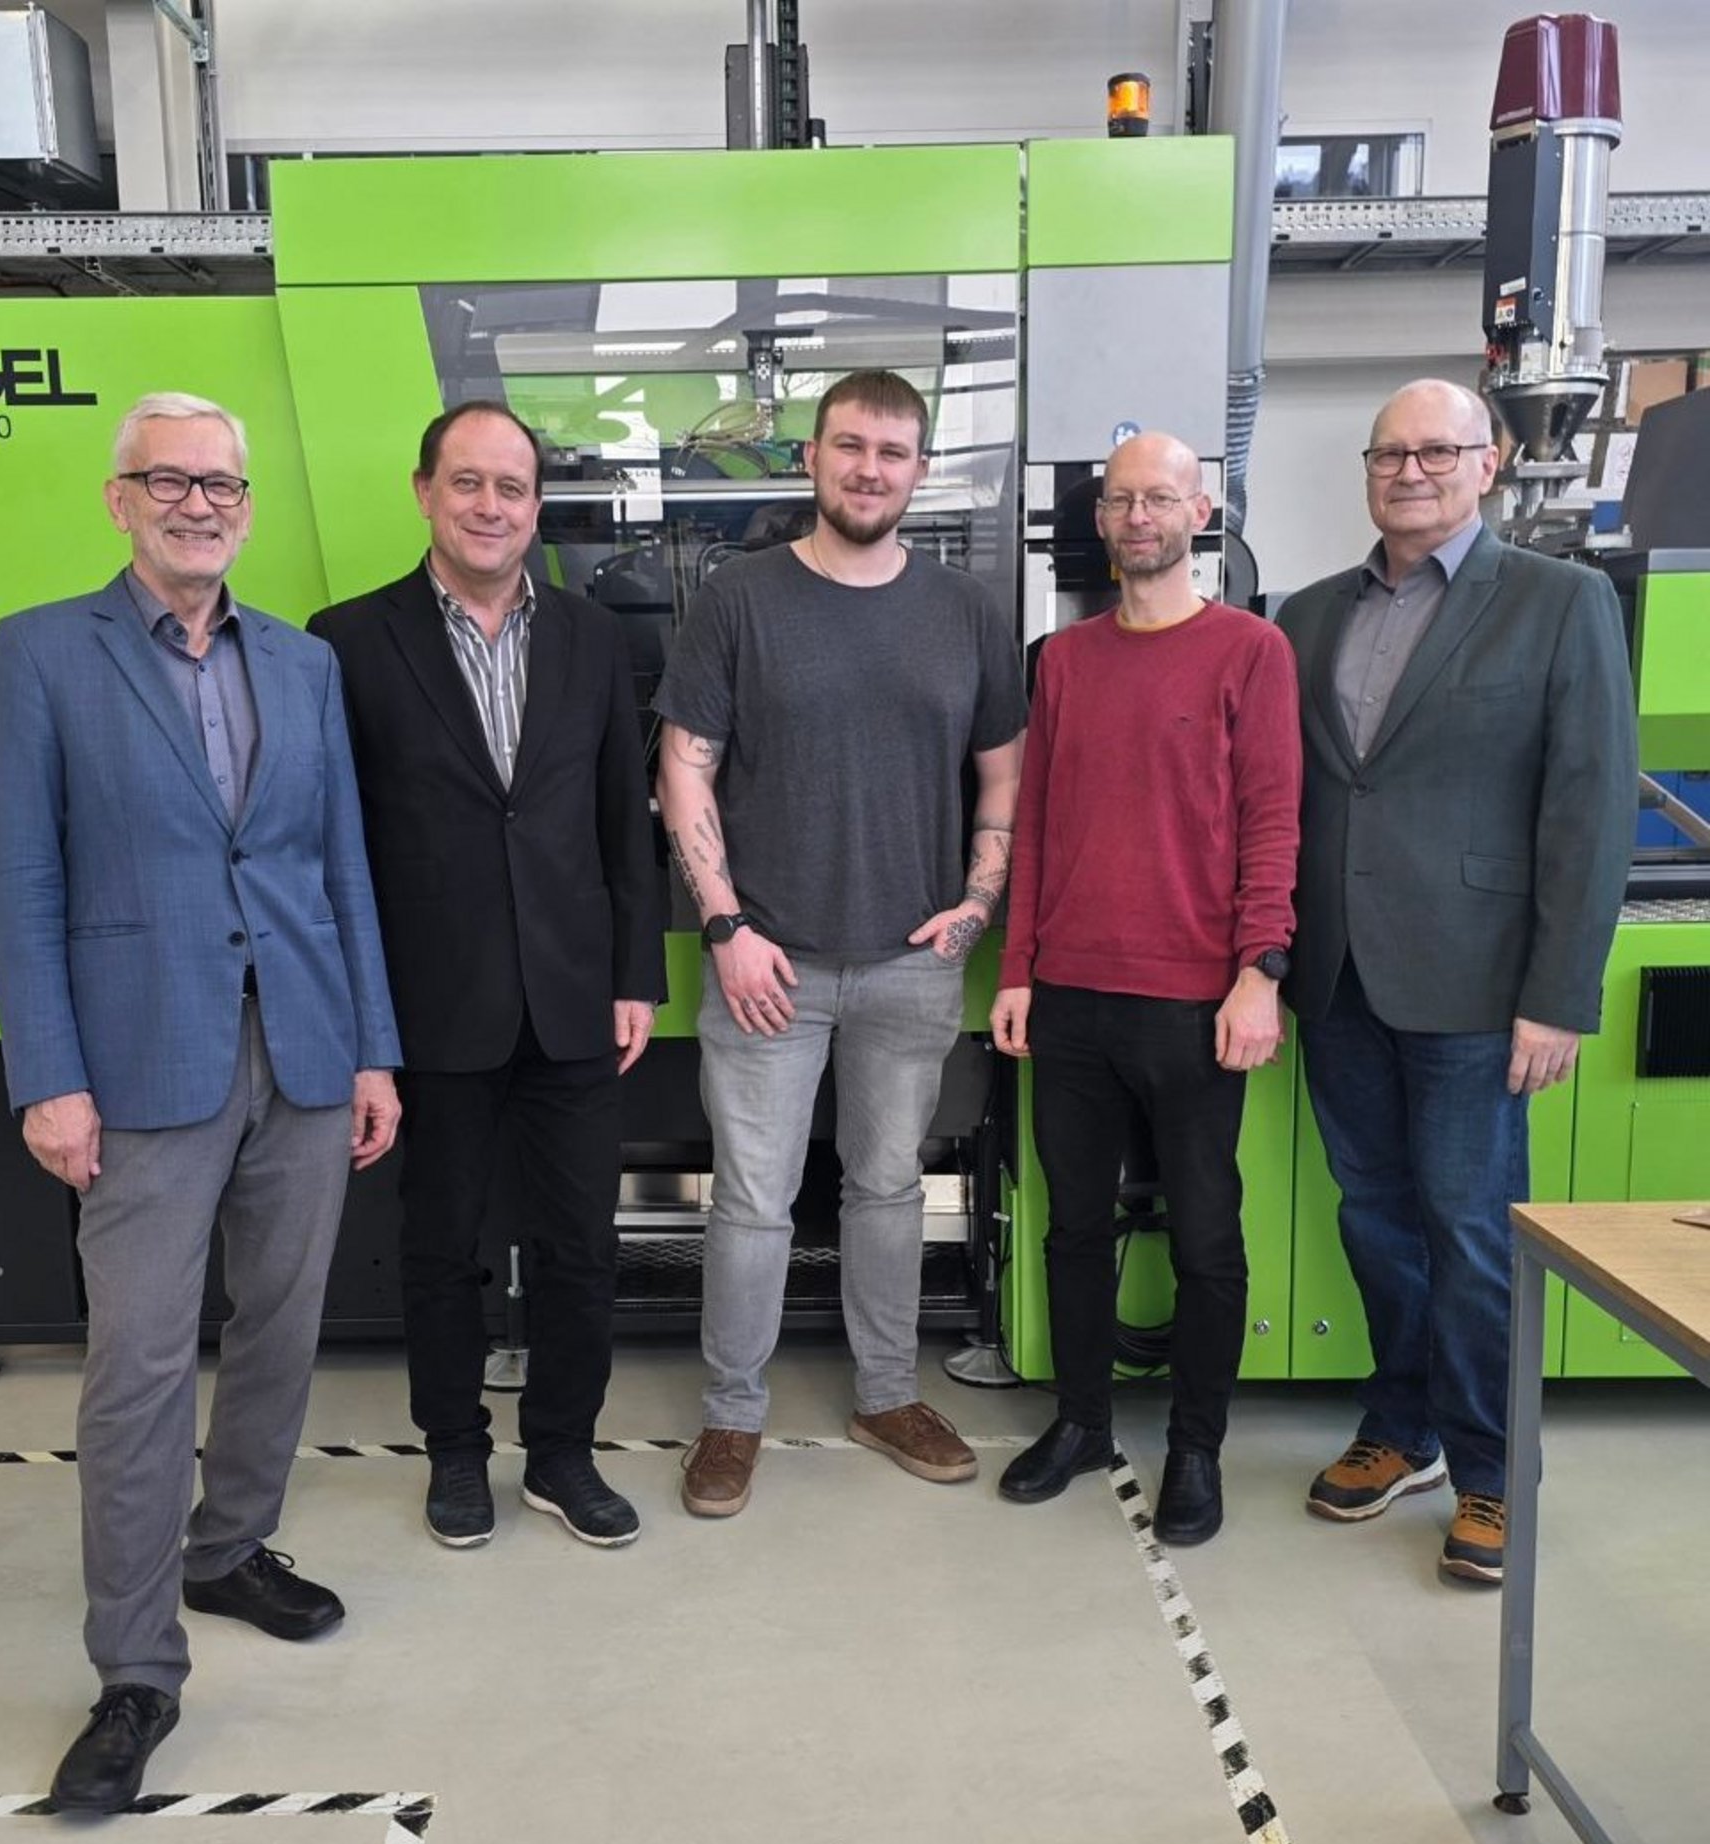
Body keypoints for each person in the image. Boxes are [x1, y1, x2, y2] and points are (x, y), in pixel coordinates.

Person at [0, 392, 402, 1813]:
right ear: (120, 500)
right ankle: (136, 1672)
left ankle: (228, 1550)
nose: (199, 504)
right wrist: (48, 1076)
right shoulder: (41, 652)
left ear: (246, 507)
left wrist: (373, 1050)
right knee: (141, 1366)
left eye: (221, 484)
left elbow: (340, 867)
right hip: (140, 1063)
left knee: (282, 1323)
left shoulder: (301, 662)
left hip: (304, 1049)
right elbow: (20, 881)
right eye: (170, 481)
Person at [1277, 378, 1638, 1585]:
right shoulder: (1309, 615)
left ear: (1490, 464)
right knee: (1376, 1219)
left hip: (1479, 988)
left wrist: (1560, 994)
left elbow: (1589, 809)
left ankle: (1492, 1471)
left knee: (1471, 1232)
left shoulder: (1559, 602)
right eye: (1391, 454)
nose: (1412, 472)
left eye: (1439, 452)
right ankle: (1404, 1427)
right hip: (1339, 977)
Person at [656, 368, 1027, 1518]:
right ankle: (733, 1413)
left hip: (913, 963)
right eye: (851, 446)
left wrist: (976, 905)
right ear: (812, 458)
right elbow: (684, 768)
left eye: (893, 452)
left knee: (888, 1188)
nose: (871, 469)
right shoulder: (740, 599)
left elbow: (1003, 776)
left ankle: (886, 1394)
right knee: (750, 1202)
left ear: (920, 471)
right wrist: (725, 927)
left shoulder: (965, 611)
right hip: (766, 964)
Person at [309, 402, 665, 1551]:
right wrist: (364, 1022)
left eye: (512, 487)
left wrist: (635, 972)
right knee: (439, 1248)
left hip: (573, 998)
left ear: (536, 507)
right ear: (424, 492)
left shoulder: (593, 638)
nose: (490, 506)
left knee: (583, 1248)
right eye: (467, 482)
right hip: (431, 1003)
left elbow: (623, 819)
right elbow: (337, 845)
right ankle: (455, 1453)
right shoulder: (347, 642)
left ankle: (562, 1453)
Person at [989, 432, 1301, 1546]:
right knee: (1074, 1228)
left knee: (1206, 1235)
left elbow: (1272, 821)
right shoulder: (1064, 661)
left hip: (1193, 1001)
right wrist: (1018, 969)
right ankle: (1082, 1422)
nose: (1138, 518)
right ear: (1100, 519)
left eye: (1159, 499)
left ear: (1199, 512)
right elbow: (1036, 827)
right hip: (1071, 994)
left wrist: (1259, 972)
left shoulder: (1251, 651)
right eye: (1121, 501)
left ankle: (1196, 1450)